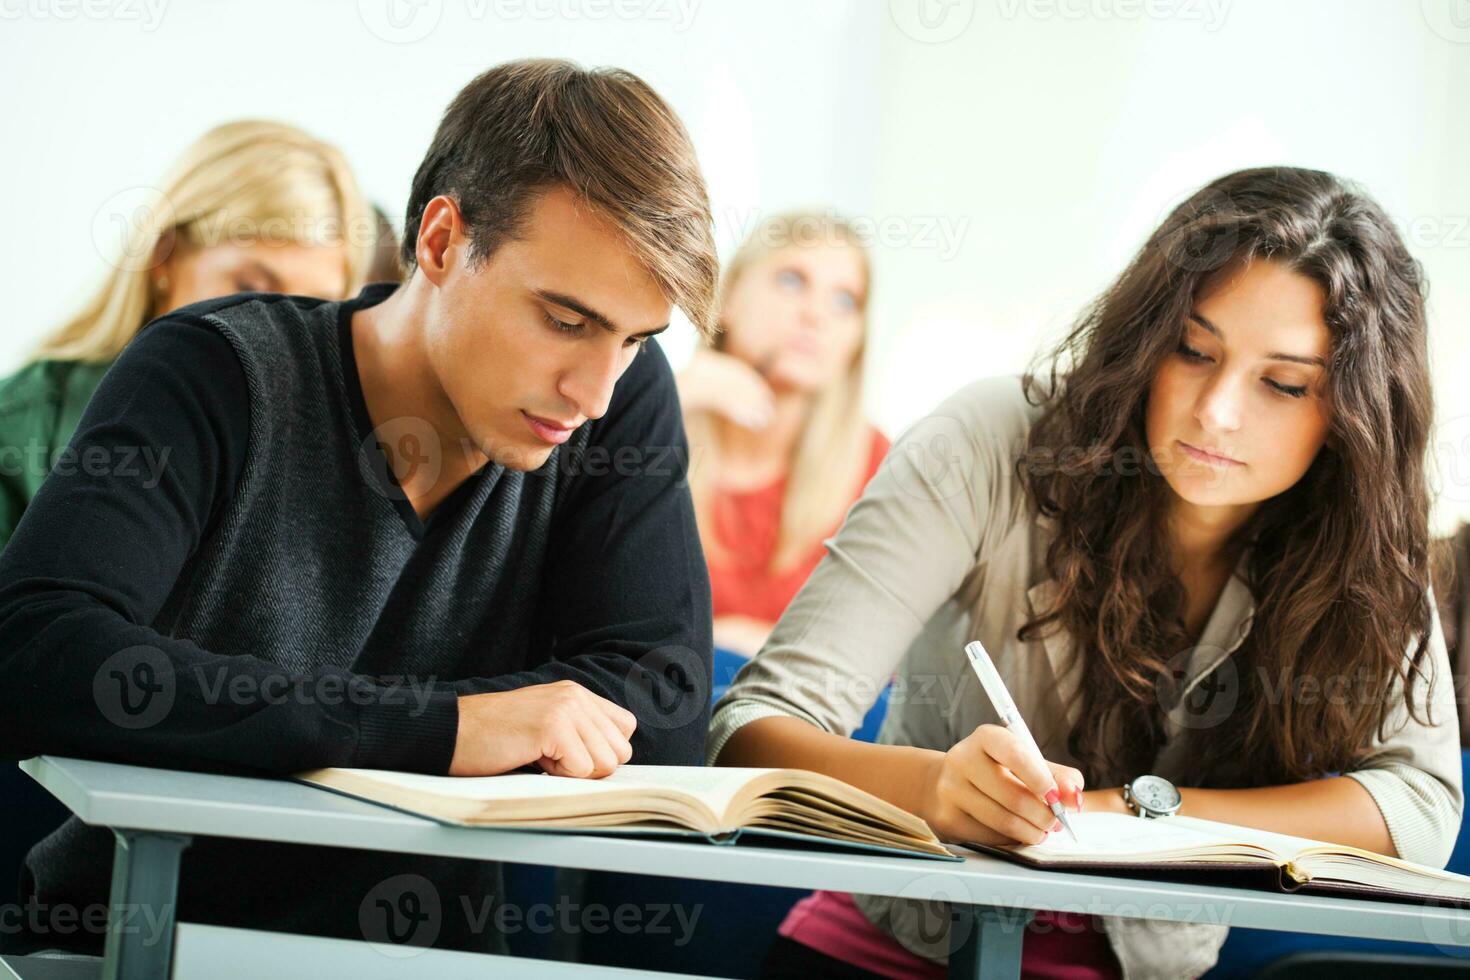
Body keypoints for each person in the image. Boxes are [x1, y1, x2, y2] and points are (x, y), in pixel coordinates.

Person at [0, 58, 718, 959]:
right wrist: (450, 728)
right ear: (443, 241)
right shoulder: (209, 371)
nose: (596, 391)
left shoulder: (620, 397)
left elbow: (663, 714)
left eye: (634, 338)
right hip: (142, 943)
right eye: (564, 321)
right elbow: (36, 650)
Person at [710, 167, 1463, 978]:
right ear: (1146, 337)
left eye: (1283, 384)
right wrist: (936, 791)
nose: (1218, 412)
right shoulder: (990, 440)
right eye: (1193, 350)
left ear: (1354, 412)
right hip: (886, 954)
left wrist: (1140, 812)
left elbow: (1421, 807)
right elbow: (752, 730)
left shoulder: (1359, 529)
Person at [0, 119, 375, 549]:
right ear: (164, 256)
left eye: (312, 309)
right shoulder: (16, 434)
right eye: (251, 291)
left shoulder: (348, 464)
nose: (281, 333)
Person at [677, 211, 887, 659]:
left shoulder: (878, 467)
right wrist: (668, 398)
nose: (815, 314)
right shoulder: (658, 422)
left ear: (855, 342)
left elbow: (876, 659)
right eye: (792, 280)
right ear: (727, 298)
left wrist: (732, 638)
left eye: (845, 301)